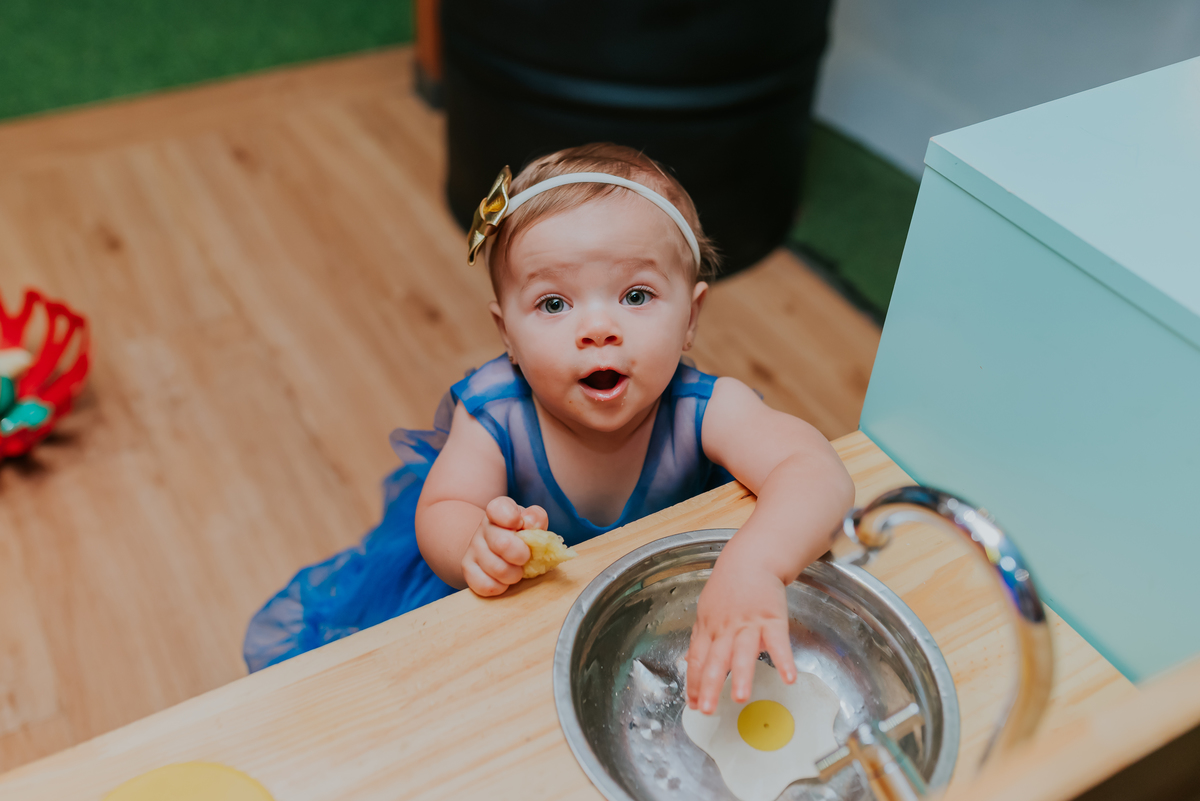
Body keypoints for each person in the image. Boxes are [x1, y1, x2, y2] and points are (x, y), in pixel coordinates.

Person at [244, 143, 854, 715]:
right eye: (554, 304)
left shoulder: (704, 409)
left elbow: (815, 471)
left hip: (658, 614)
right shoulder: (495, 411)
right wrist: (477, 546)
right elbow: (446, 505)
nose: (597, 328)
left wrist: (756, 565)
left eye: (636, 295)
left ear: (691, 317)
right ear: (506, 332)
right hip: (522, 617)